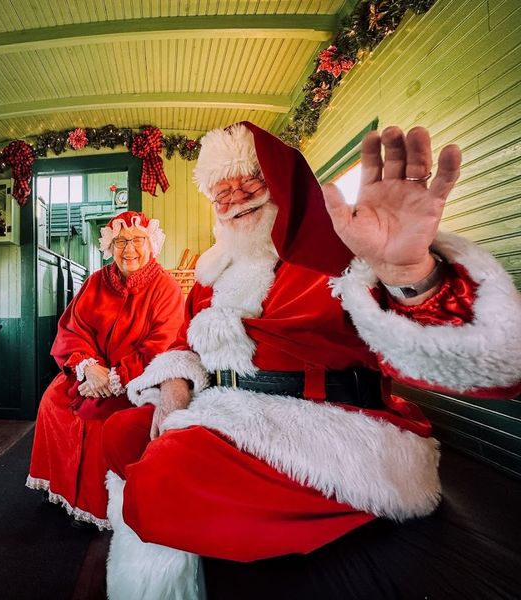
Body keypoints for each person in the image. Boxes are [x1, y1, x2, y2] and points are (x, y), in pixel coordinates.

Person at [101, 123, 521, 598]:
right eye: (221, 191)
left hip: (326, 428)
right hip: (224, 408)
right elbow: (183, 342)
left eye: (249, 182)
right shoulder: (213, 272)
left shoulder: (343, 251)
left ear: (282, 184)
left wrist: (410, 273)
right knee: (120, 433)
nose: (235, 198)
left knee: (162, 477)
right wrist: (174, 389)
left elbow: (495, 365)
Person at [26, 211, 184, 529]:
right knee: (53, 401)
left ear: (151, 243)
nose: (129, 249)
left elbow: (161, 344)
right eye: (121, 241)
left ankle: (97, 506)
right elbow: (73, 328)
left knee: (100, 417)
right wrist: (88, 368)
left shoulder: (166, 287)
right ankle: (60, 488)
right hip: (91, 371)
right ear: (109, 246)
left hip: (137, 378)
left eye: (138, 240)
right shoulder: (96, 281)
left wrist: (115, 378)